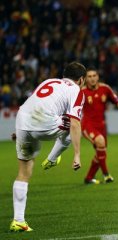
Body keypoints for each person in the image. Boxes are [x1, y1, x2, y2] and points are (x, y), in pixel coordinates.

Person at [10, 62, 86, 232]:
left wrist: (20, 131)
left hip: (23, 121)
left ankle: (18, 220)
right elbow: (74, 123)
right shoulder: (76, 91)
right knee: (71, 122)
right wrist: (77, 155)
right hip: (44, 123)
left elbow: (33, 104)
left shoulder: (48, 82)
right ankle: (52, 159)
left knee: (24, 172)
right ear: (81, 79)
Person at [81, 67, 118, 184]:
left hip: (101, 126)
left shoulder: (105, 89)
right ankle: (106, 175)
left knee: (100, 153)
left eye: (94, 76)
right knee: (100, 142)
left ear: (98, 77)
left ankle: (88, 178)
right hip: (88, 125)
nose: (92, 79)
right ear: (85, 79)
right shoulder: (81, 92)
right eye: (89, 76)